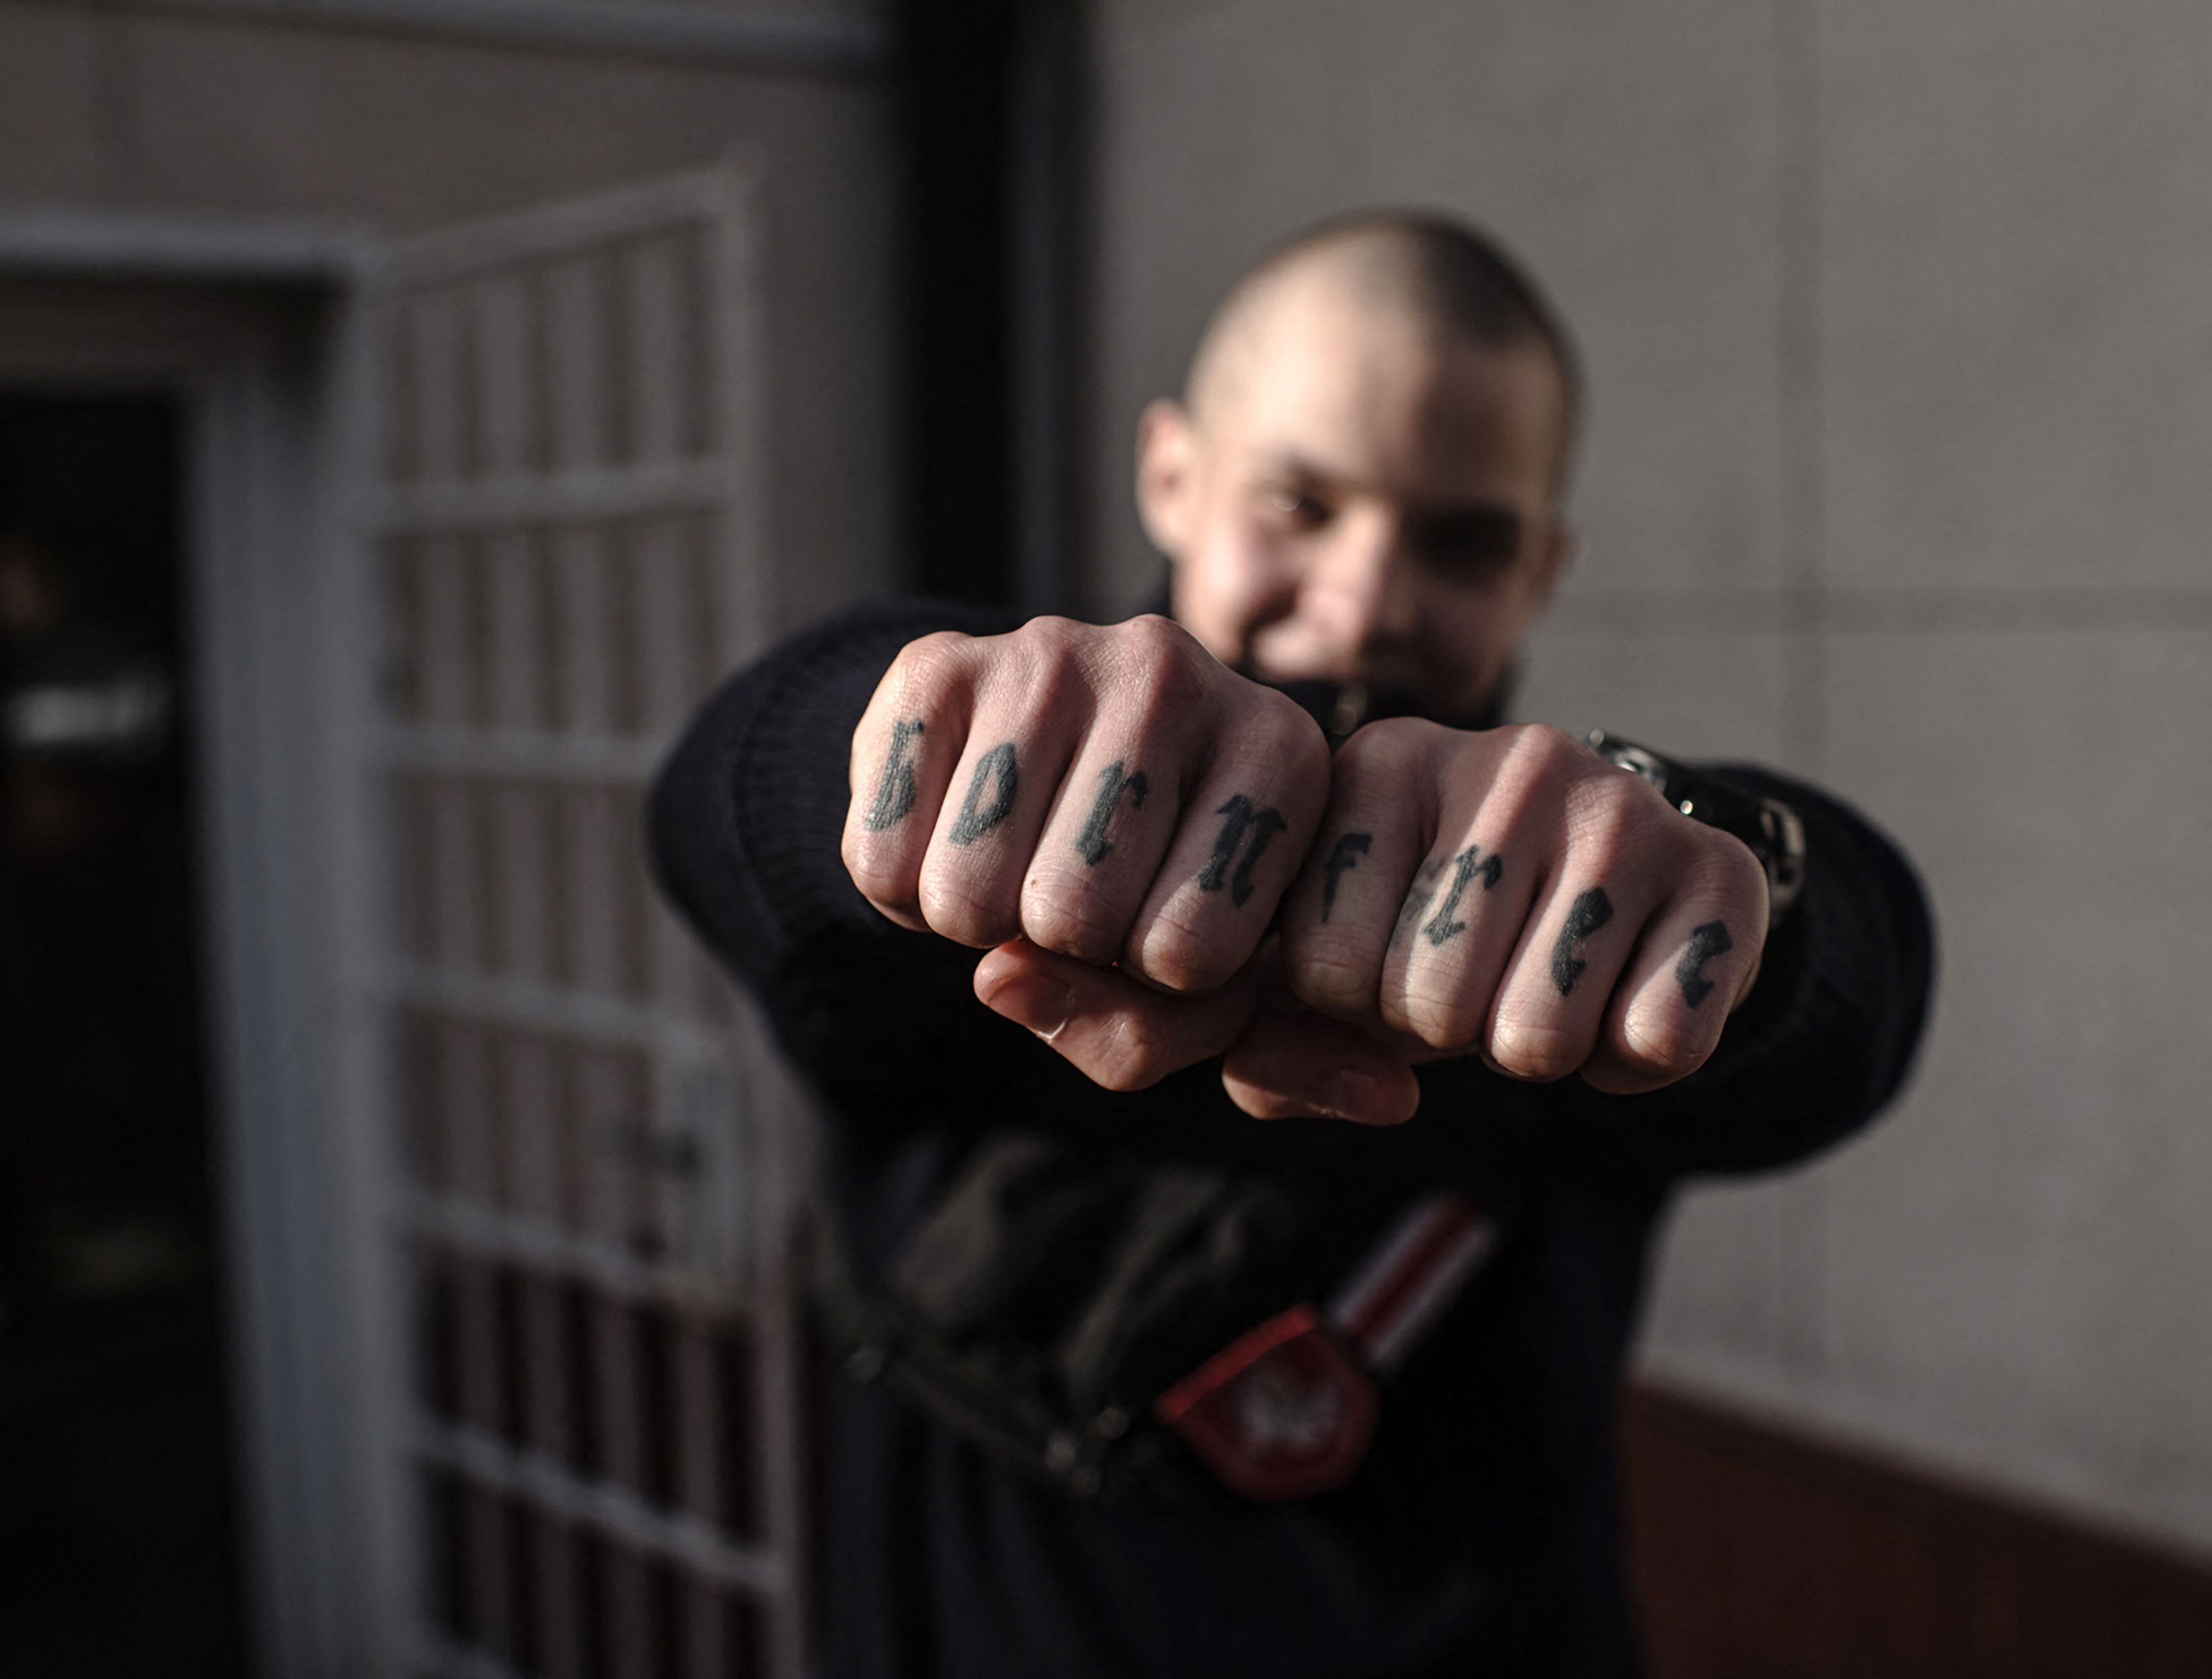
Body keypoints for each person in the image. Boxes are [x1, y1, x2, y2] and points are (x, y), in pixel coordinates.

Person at [649, 212, 1935, 1678]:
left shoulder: (1569, 902)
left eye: (1462, 539)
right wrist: (892, 756)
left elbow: (1856, 997)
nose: (1366, 601)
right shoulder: (989, 833)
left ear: (1542, 570)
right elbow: (725, 804)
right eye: (1301, 503)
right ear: (1172, 478)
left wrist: (1734, 898)